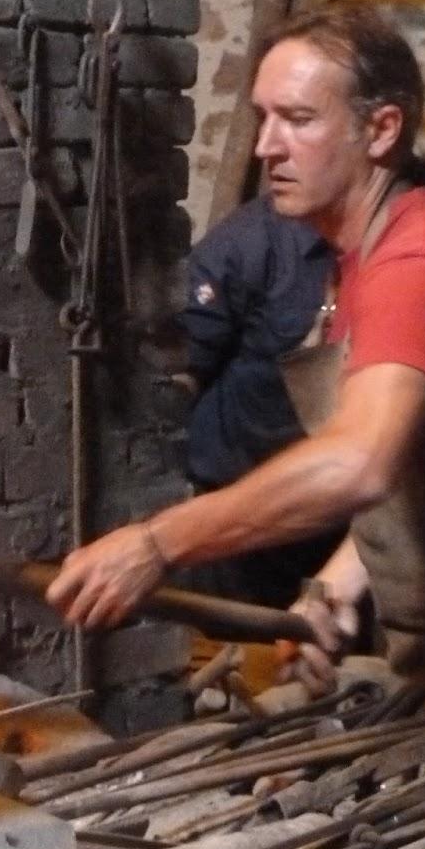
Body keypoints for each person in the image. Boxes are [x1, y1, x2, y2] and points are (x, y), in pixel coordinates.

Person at [47, 5, 425, 727]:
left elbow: (360, 464)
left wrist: (157, 543)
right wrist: (337, 584)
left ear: (381, 129)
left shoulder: (421, 271)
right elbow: (423, 482)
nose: (265, 147)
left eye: (297, 119)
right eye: (263, 118)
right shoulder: (365, 257)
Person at [176, 194, 339, 609]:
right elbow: (179, 372)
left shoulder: (392, 259)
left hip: (335, 530)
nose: (271, 148)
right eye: (267, 127)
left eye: (299, 124)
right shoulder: (250, 242)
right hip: (235, 527)